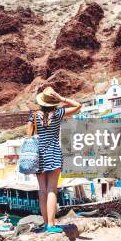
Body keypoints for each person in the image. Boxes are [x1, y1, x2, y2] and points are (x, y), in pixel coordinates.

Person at [27, 86, 81, 233]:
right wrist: (61, 98)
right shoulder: (58, 113)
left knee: (42, 190)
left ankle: (46, 223)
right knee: (52, 189)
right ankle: (51, 224)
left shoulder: (34, 115)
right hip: (54, 153)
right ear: (53, 102)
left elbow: (28, 135)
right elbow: (78, 106)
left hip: (38, 154)